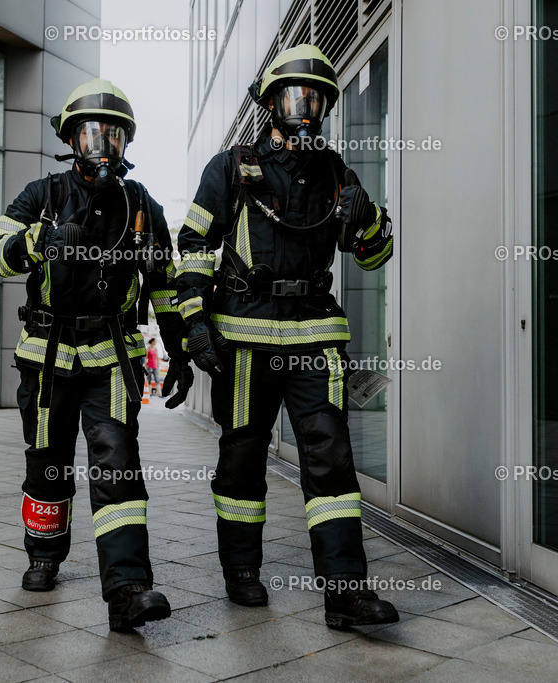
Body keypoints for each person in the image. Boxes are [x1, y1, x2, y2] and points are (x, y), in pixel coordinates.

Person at [176, 44, 397, 630]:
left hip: (315, 335)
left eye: (316, 98)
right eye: (296, 96)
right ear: (271, 102)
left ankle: (346, 594)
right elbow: (194, 245)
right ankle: (242, 571)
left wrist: (367, 213)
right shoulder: (230, 167)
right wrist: (194, 322)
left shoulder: (335, 171)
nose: (306, 107)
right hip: (245, 338)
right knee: (242, 456)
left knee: (331, 461)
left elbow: (376, 255)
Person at [0, 78, 194, 632]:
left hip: (113, 361)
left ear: (126, 144)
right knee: (46, 462)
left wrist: (181, 353)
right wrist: (37, 243)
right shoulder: (42, 196)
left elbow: (165, 288)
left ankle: (128, 589)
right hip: (48, 359)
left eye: (113, 136)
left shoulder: (142, 207)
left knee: (118, 466)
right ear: (72, 139)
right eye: (91, 133)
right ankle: (44, 554)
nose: (102, 145)